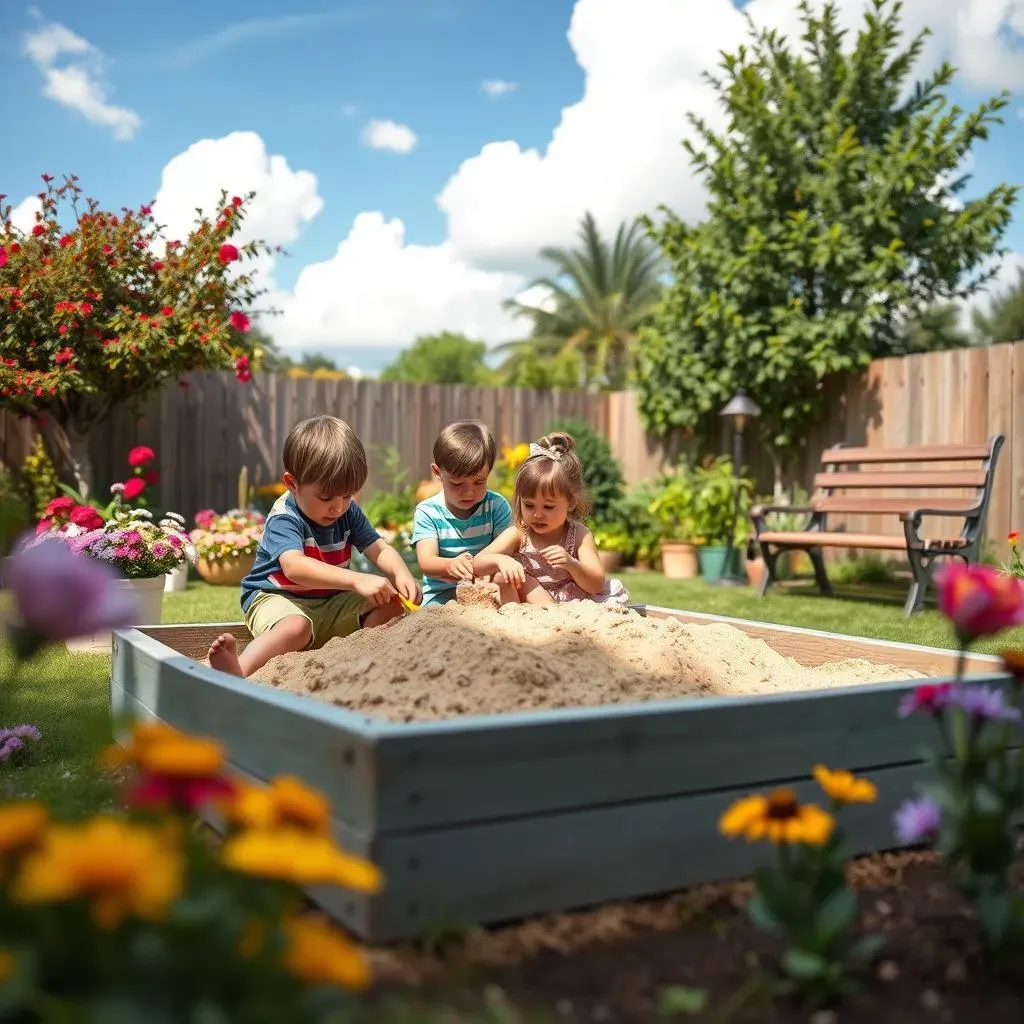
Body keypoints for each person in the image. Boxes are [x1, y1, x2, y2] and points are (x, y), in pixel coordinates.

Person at [208, 415, 422, 677]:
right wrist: (356, 580)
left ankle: (365, 654)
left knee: (390, 604)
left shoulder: (347, 511)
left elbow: (380, 548)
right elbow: (295, 567)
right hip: (278, 599)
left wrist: (401, 573)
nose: (338, 506)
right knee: (296, 627)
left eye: (347, 495)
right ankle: (240, 668)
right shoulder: (285, 517)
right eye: (326, 497)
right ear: (292, 484)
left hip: (330, 601)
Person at [474, 432, 629, 606]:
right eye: (529, 505)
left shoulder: (579, 535)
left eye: (548, 507)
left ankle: (551, 612)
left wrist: (572, 565)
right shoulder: (519, 534)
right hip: (527, 607)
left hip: (570, 606)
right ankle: (519, 615)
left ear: (571, 502)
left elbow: (596, 584)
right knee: (508, 577)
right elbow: (477, 564)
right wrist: (501, 559)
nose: (538, 514)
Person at [412, 420, 518, 606]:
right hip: (441, 595)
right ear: (437, 473)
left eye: (479, 482)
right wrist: (449, 565)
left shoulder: (496, 506)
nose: (469, 492)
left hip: (487, 588)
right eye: (457, 483)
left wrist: (492, 573)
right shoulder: (428, 512)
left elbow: (508, 550)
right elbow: (426, 561)